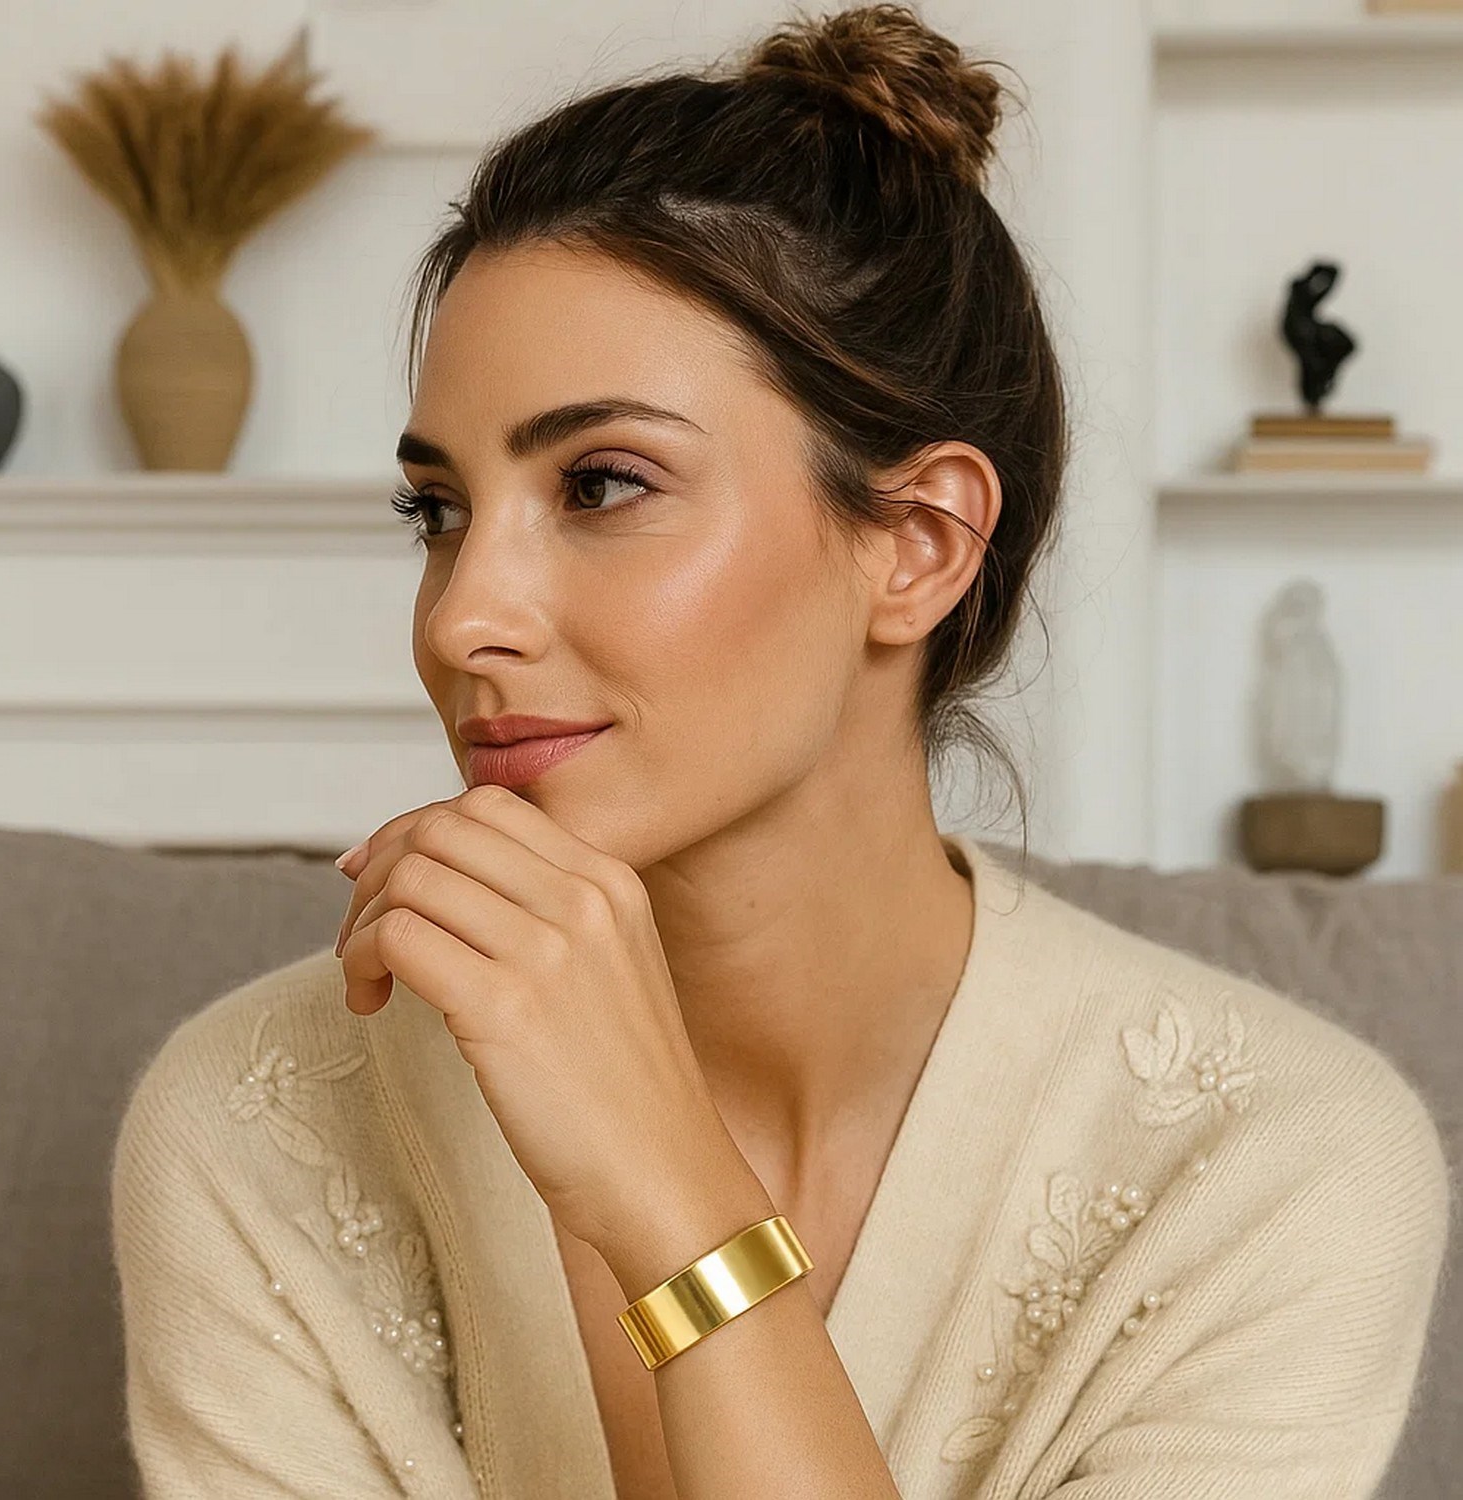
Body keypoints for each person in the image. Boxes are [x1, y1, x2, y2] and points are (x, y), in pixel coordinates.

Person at [109, 6, 1451, 1497]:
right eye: (439, 511)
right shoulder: (257, 1119)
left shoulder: (1274, 1168)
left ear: (919, 544)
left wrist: (674, 1202)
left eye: (602, 484)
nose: (462, 616)